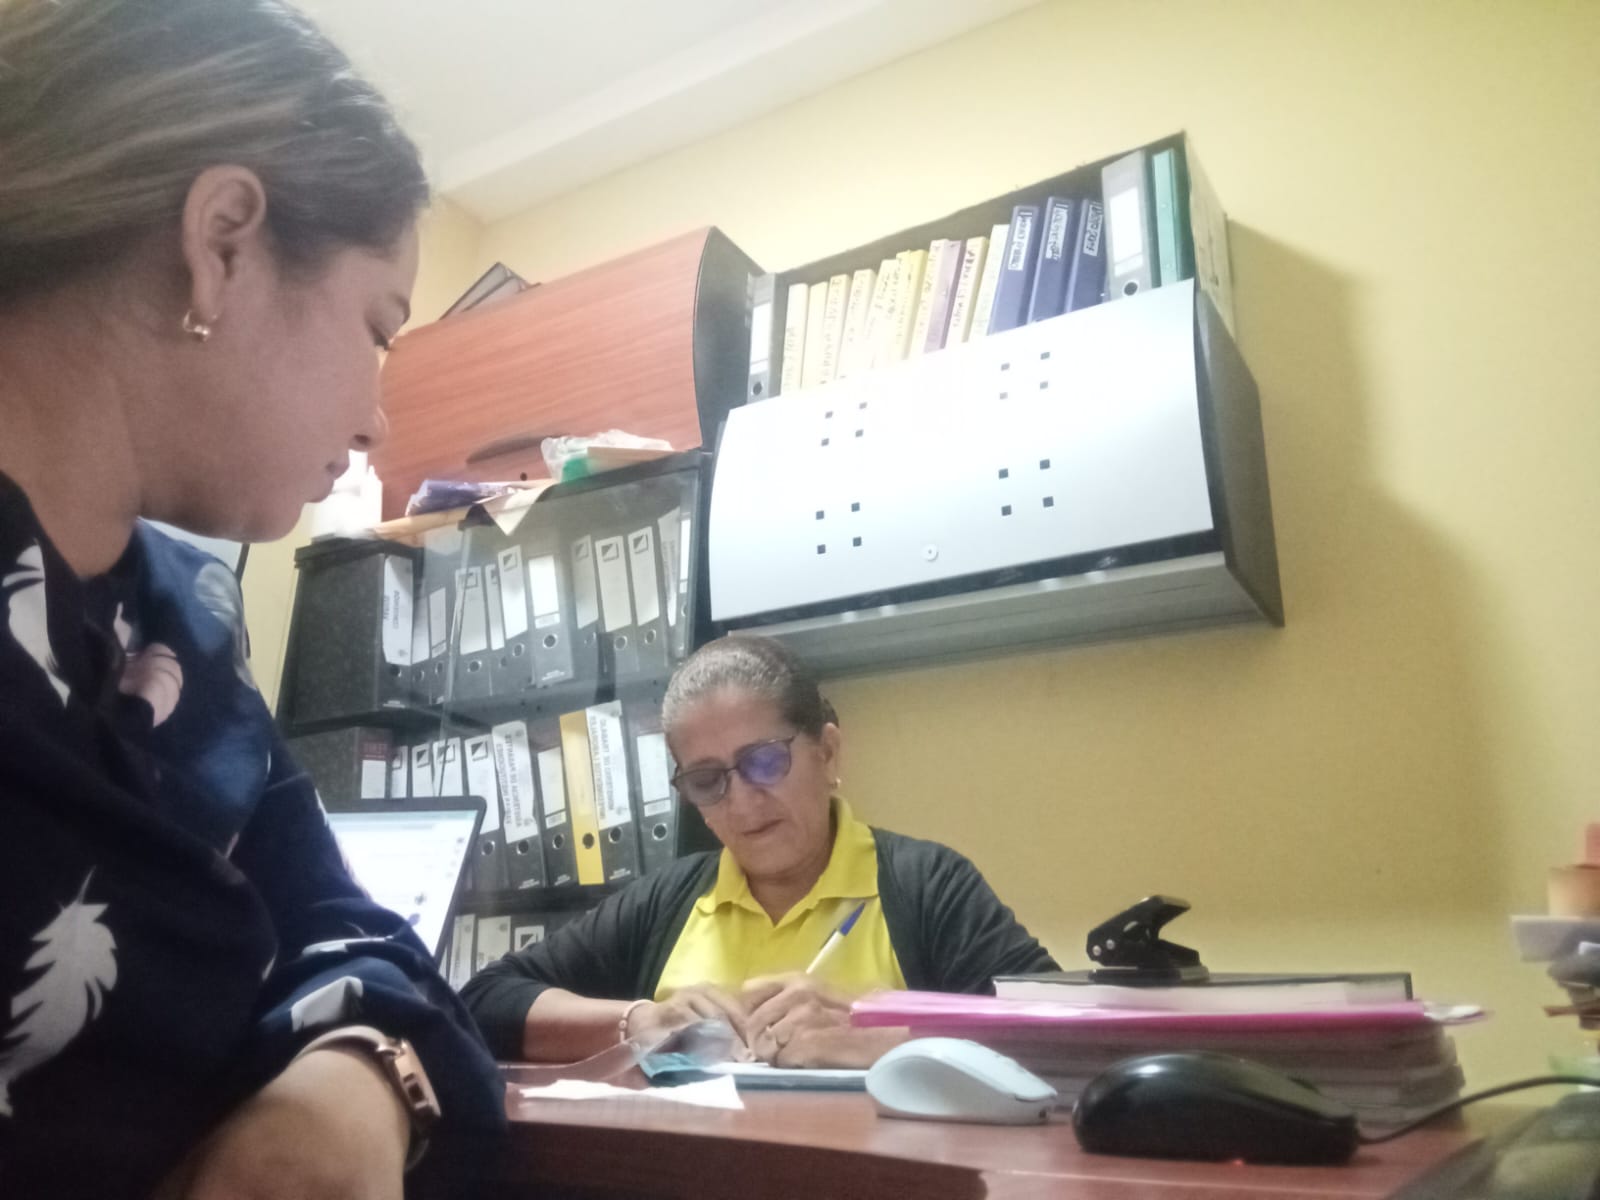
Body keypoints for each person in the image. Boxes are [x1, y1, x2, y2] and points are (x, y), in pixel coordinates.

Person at [0, 2, 504, 1197]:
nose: (376, 420)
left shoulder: (187, 628)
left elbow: (350, 930)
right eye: (377, 329)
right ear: (222, 244)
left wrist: (355, 1084)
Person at [462, 635, 1058, 1069]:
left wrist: (882, 1035)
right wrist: (640, 1020)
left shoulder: (924, 887)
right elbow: (484, 1004)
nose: (743, 803)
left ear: (827, 752)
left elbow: (1068, 1043)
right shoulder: (667, 902)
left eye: (765, 761)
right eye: (707, 780)